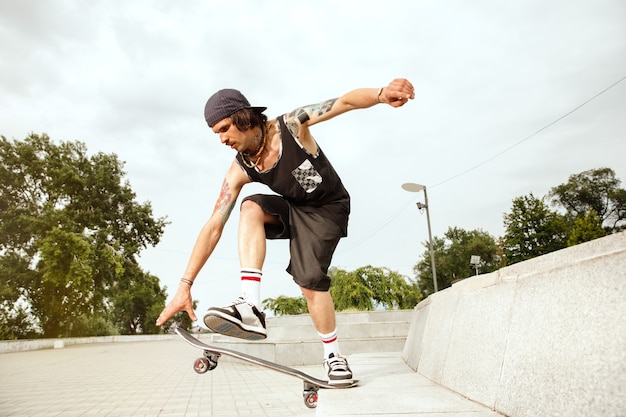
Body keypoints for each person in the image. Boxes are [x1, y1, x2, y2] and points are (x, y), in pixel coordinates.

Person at [156, 78, 415, 385]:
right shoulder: (240, 168)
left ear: (243, 117)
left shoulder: (291, 126)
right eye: (216, 134)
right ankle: (250, 304)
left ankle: (333, 356)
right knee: (250, 207)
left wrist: (381, 95)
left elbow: (343, 102)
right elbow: (214, 225)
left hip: (328, 209)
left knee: (309, 283)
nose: (222, 139)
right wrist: (185, 284)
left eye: (224, 129)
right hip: (294, 208)